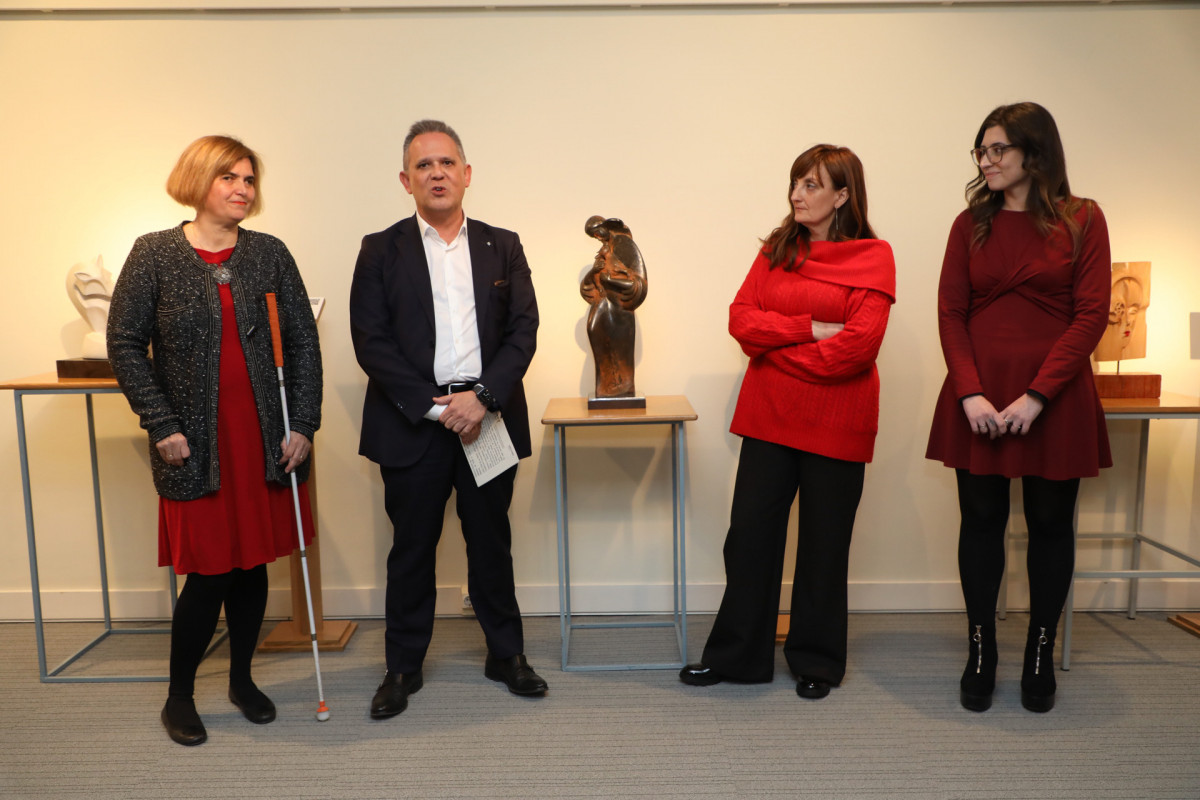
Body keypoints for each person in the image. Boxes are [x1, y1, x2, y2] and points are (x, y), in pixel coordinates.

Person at [107, 135, 322, 745]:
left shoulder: (269, 253)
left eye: (249, 180)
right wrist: (161, 423)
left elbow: (303, 344)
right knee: (206, 573)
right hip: (195, 443)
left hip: (261, 440)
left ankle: (243, 679)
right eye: (229, 177)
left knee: (252, 566)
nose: (242, 190)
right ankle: (179, 696)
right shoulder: (153, 254)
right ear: (198, 180)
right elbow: (124, 344)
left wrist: (303, 423)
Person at [679, 144, 896, 700]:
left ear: (842, 195)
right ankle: (736, 657)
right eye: (795, 183)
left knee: (825, 545)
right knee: (749, 539)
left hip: (837, 422)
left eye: (812, 185)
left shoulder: (875, 258)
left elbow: (858, 348)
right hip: (770, 418)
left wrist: (774, 349)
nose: (797, 194)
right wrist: (810, 328)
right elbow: (740, 319)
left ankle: (817, 662)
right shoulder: (776, 250)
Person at [349, 119, 545, 719]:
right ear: (406, 181)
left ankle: (505, 655)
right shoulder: (380, 249)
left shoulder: (502, 244)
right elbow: (371, 340)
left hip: (487, 417)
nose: (437, 173)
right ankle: (402, 667)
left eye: (447, 163)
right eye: (424, 165)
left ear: (466, 173)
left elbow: (523, 331)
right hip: (416, 422)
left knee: (491, 542)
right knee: (412, 548)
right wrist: (438, 407)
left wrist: (481, 397)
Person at [926, 102, 1112, 713]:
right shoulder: (968, 223)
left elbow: (1090, 315)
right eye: (980, 150)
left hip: (1053, 397)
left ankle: (1039, 650)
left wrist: (1037, 395)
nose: (986, 160)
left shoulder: (1084, 218)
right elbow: (951, 311)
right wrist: (970, 390)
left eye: (997, 148)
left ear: (1034, 152)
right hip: (977, 391)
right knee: (979, 523)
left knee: (1051, 525)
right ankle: (981, 650)